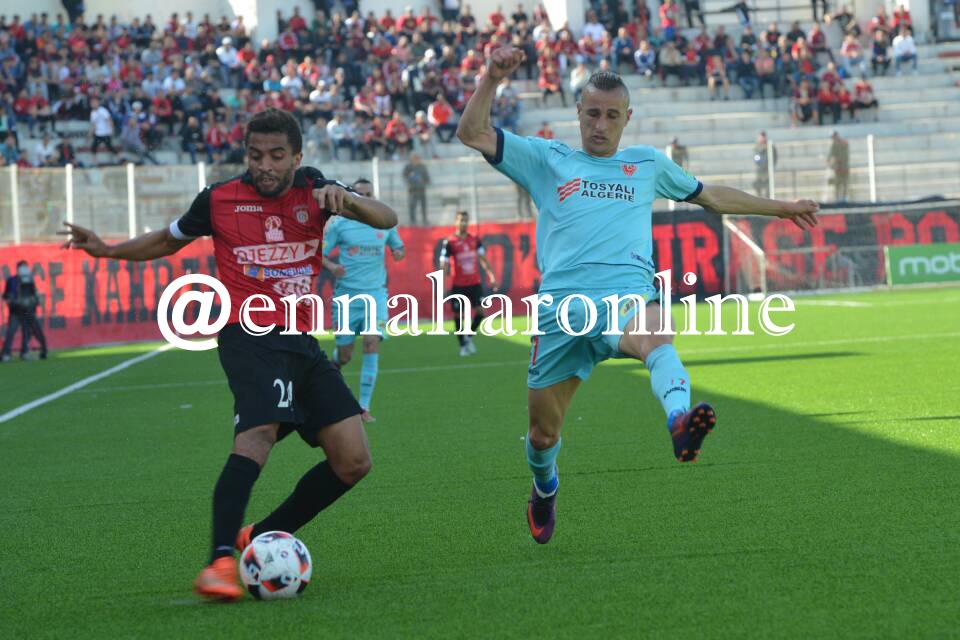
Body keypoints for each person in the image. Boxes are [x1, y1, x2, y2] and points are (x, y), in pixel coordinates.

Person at [456, 48, 819, 544]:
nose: (600, 125)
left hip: (626, 297)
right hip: (562, 312)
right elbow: (472, 132)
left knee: (656, 336)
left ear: (628, 118)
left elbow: (711, 196)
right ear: (577, 113)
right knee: (543, 436)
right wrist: (491, 78)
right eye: (592, 114)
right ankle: (544, 487)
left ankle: (680, 421)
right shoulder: (547, 159)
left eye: (611, 115)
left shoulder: (646, 164)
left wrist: (781, 208)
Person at [59, 108, 399, 601]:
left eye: (277, 155)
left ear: (296, 157)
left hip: (301, 341)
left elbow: (387, 219)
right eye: (255, 155)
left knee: (353, 461)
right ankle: (218, 562)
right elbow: (166, 239)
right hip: (249, 334)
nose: (265, 165)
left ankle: (258, 535)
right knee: (257, 436)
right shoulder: (218, 199)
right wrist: (108, 250)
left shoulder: (316, 188)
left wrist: (346, 199)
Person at [322, 178, 405, 423]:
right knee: (345, 355)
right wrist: (332, 266)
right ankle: (333, 366)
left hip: (376, 295)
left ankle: (363, 407)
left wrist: (398, 252)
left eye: (369, 194)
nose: (365, 198)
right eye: (360, 194)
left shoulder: (384, 224)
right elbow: (318, 254)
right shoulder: (340, 225)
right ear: (352, 197)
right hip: (346, 297)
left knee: (371, 343)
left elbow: (399, 248)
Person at [438, 211, 498, 357]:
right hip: (458, 285)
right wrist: (442, 281)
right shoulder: (450, 242)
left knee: (481, 312)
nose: (463, 223)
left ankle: (468, 337)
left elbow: (483, 259)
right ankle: (463, 346)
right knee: (458, 315)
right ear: (456, 222)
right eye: (461, 220)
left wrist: (491, 275)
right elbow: (444, 263)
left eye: (465, 220)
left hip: (474, 283)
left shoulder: (475, 240)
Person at [2, 260, 48, 361]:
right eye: (22, 267)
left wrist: (33, 301)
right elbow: (6, 295)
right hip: (15, 311)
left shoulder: (30, 281)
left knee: (27, 330)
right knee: (11, 331)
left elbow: (33, 294)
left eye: (25, 267)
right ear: (18, 269)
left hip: (27, 311)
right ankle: (6, 353)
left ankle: (25, 352)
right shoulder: (11, 280)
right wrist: (12, 300)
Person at [402, 152, 430, 225]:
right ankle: (412, 220)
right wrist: (410, 177)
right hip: (412, 190)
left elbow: (427, 177)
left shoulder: (422, 166)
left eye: (417, 158)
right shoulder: (408, 167)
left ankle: (424, 219)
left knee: (423, 206)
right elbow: (404, 175)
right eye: (414, 158)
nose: (416, 159)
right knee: (412, 205)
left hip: (421, 189)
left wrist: (424, 182)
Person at [827, 131, 850, 202]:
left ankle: (844, 198)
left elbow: (845, 156)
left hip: (844, 167)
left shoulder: (843, 143)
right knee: (837, 184)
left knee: (844, 183)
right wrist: (832, 165)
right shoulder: (833, 145)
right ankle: (837, 198)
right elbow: (830, 156)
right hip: (837, 168)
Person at [753, 130, 777, 197]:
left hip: (768, 169)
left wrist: (771, 166)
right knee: (757, 185)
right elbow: (756, 157)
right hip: (760, 169)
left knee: (768, 186)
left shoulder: (770, 146)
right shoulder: (757, 146)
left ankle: (767, 198)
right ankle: (759, 197)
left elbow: (775, 157)